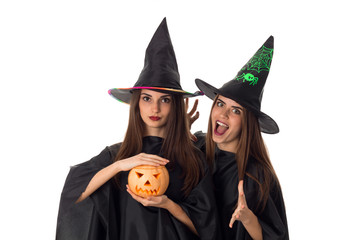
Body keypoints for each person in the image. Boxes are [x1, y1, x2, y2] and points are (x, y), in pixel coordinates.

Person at [56, 18, 219, 240]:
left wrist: (168, 204)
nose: (155, 107)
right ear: (136, 104)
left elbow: (206, 227)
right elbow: (76, 193)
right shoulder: (116, 155)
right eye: (147, 98)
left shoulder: (193, 159)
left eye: (165, 100)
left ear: (175, 106)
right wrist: (120, 166)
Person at [193, 36, 289, 240]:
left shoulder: (258, 176)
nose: (224, 114)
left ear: (248, 122)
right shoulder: (197, 148)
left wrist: (248, 219)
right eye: (220, 104)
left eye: (236, 111)